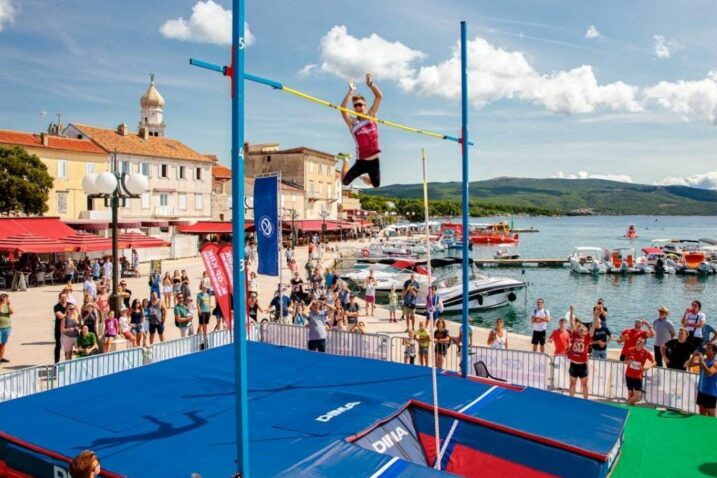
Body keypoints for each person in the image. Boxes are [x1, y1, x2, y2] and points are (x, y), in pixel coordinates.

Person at [339, 73, 383, 188]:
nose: (358, 107)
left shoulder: (372, 115)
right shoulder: (353, 123)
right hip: (362, 162)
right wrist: (351, 92)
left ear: (365, 105)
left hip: (374, 161)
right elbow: (343, 110)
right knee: (344, 182)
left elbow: (379, 97)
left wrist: (370, 84)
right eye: (355, 106)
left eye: (360, 105)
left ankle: (362, 176)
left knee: (375, 185)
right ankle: (346, 160)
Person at [566, 305, 598, 399]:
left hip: (582, 365)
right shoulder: (574, 335)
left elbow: (594, 325)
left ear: (585, 330)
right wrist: (571, 311)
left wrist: (596, 315)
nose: (580, 328)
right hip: (574, 364)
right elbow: (572, 322)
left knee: (584, 384)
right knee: (572, 383)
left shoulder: (587, 337)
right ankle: (571, 400)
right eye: (579, 327)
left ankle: (586, 401)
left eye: (582, 327)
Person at [624, 337, 655, 405]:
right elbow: (625, 362)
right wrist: (628, 361)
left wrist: (648, 367)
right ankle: (630, 409)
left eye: (640, 342)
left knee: (637, 396)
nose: (638, 342)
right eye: (638, 340)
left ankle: (624, 405)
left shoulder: (646, 353)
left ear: (644, 344)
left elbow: (654, 362)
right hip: (629, 375)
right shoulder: (630, 349)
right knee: (630, 394)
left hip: (638, 377)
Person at [688, 343, 717, 417]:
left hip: (710, 392)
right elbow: (690, 365)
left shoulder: (715, 363)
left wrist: (702, 363)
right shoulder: (704, 360)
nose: (706, 349)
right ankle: (702, 428)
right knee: (701, 411)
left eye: (709, 348)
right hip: (701, 390)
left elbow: (709, 373)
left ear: (714, 352)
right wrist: (693, 356)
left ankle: (711, 428)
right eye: (706, 347)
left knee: (711, 413)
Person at [53, 292, 69, 363]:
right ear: (59, 298)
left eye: (65, 297)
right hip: (58, 329)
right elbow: (60, 316)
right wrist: (68, 314)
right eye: (62, 297)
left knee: (67, 346)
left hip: (67, 328)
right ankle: (56, 363)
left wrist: (65, 315)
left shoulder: (70, 305)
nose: (63, 299)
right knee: (58, 346)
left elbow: (75, 314)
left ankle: (67, 362)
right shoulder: (56, 307)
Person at [0, 294, 14, 363]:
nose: (5, 299)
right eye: (4, 298)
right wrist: (1, 303)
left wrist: (8, 304)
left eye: (6, 298)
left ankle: (1, 357)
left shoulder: (7, 305)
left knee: (3, 343)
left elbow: (12, 312)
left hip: (7, 327)